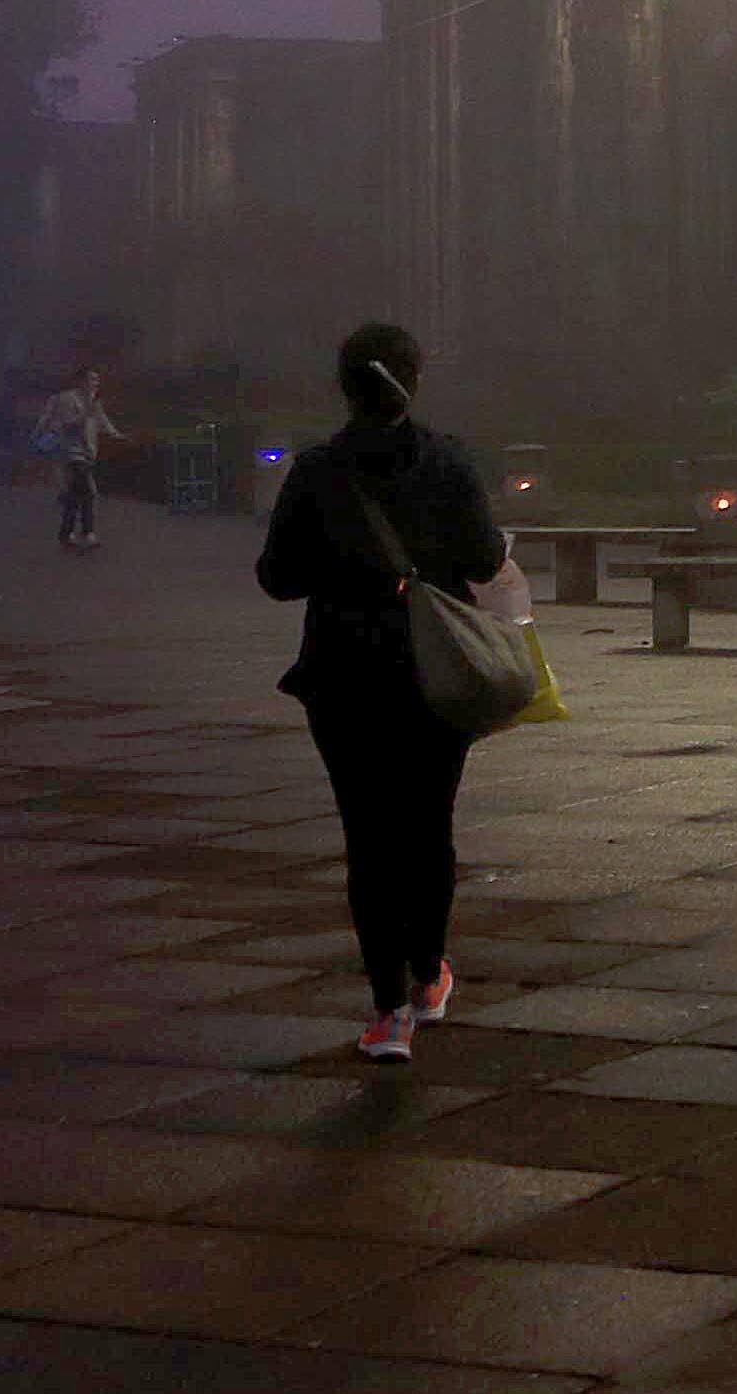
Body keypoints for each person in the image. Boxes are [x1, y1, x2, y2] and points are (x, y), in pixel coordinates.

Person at [254, 321, 505, 1063]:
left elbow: (277, 578)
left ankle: (387, 1010)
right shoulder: (450, 465)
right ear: (413, 381)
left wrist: (344, 571)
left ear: (344, 387)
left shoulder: (316, 471)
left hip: (345, 672)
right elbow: (486, 560)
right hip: (436, 672)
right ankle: (430, 974)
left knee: (367, 837)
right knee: (429, 828)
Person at [35, 366, 116, 552]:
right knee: (87, 491)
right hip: (70, 451)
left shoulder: (93, 402)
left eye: (97, 380)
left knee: (74, 494)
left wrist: (115, 434)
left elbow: (102, 421)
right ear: (80, 381)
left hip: (86, 452)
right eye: (91, 380)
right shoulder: (64, 399)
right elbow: (64, 425)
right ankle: (88, 533)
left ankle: (68, 533)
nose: (95, 384)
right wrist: (84, 415)